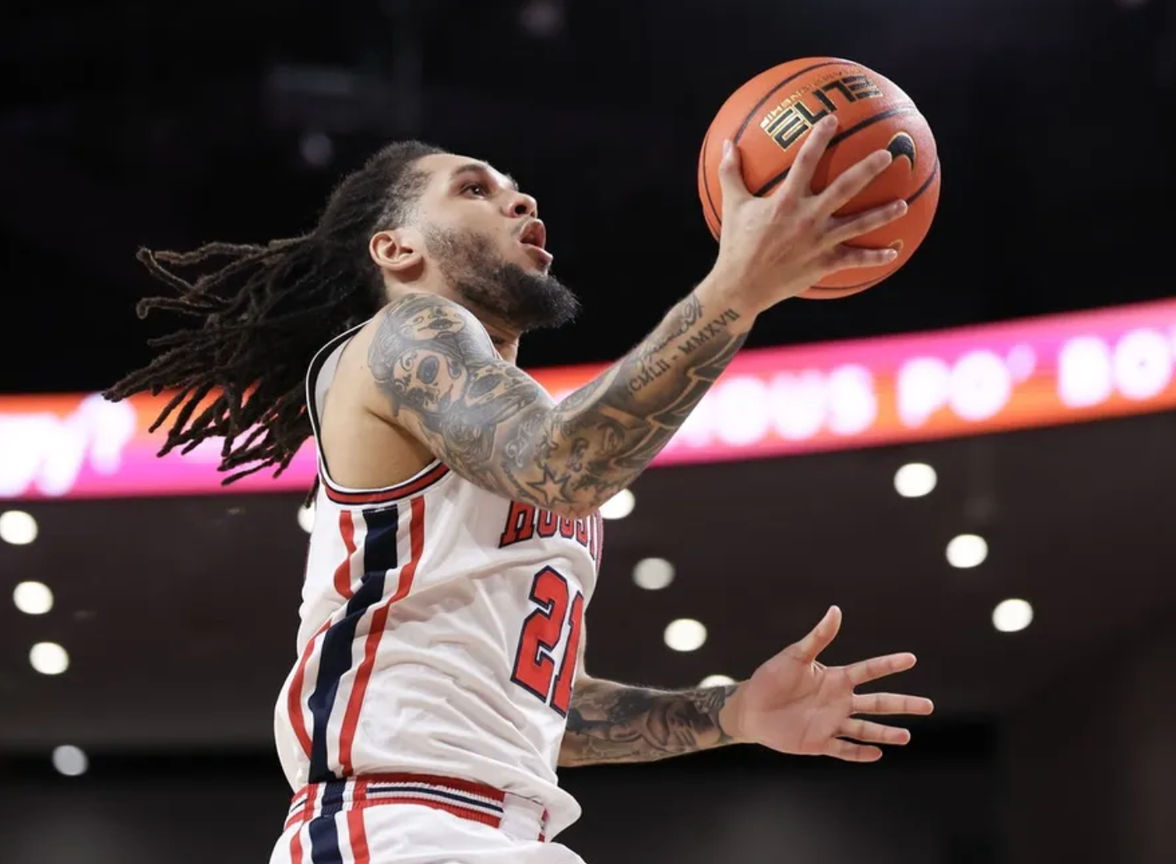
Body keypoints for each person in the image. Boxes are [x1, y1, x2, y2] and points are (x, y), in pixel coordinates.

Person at [105, 114, 933, 864]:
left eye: (510, 185)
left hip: (503, 832)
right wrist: (736, 291)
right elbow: (562, 465)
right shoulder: (406, 332)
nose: (518, 196)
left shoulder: (509, 427)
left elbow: (537, 704)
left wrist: (730, 714)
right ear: (398, 248)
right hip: (392, 828)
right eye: (473, 187)